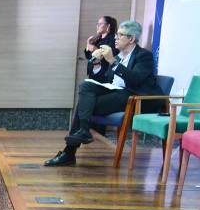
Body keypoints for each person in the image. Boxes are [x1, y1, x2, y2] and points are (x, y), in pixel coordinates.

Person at [45, 20, 164, 167]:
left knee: (84, 105)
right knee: (86, 86)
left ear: (131, 39)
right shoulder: (121, 55)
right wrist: (96, 63)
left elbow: (136, 80)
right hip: (117, 92)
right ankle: (82, 132)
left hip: (134, 97)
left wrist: (113, 62)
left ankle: (69, 152)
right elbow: (106, 79)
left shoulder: (143, 56)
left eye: (120, 35)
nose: (115, 38)